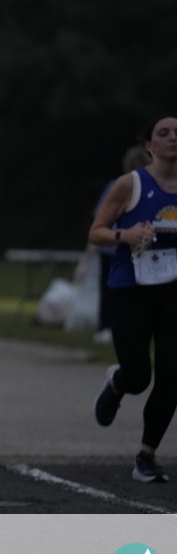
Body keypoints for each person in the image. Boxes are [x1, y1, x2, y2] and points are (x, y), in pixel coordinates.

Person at [91, 114, 177, 483]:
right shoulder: (130, 184)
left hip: (173, 290)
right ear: (149, 145)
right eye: (164, 133)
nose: (173, 137)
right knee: (140, 376)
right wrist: (124, 236)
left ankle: (146, 456)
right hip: (131, 289)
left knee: (172, 375)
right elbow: (96, 231)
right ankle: (118, 382)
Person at [90, 144, 153, 344]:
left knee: (109, 290)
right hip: (136, 249)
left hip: (112, 249)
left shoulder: (117, 185)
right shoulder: (149, 187)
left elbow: (98, 220)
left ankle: (106, 327)